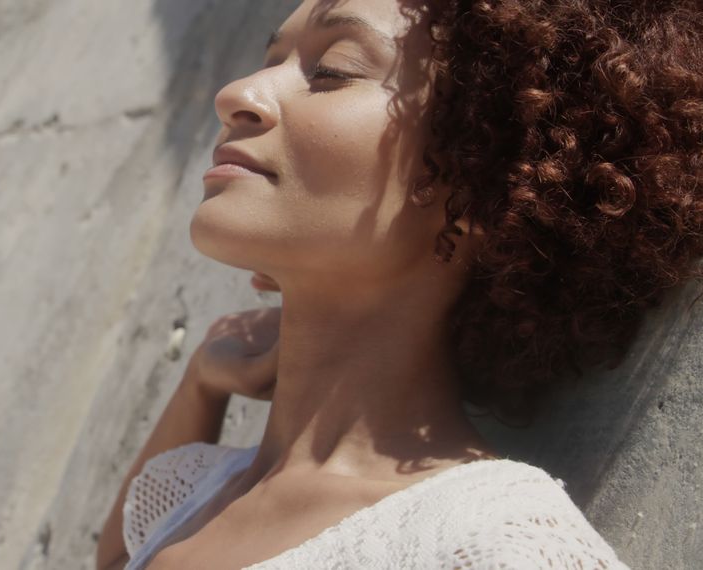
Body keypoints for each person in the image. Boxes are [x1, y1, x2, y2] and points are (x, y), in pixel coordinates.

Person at [96, 0, 703, 567]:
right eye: (270, 59)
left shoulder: (491, 542)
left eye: (333, 70)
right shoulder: (196, 487)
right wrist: (201, 383)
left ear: (483, 176)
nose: (237, 94)